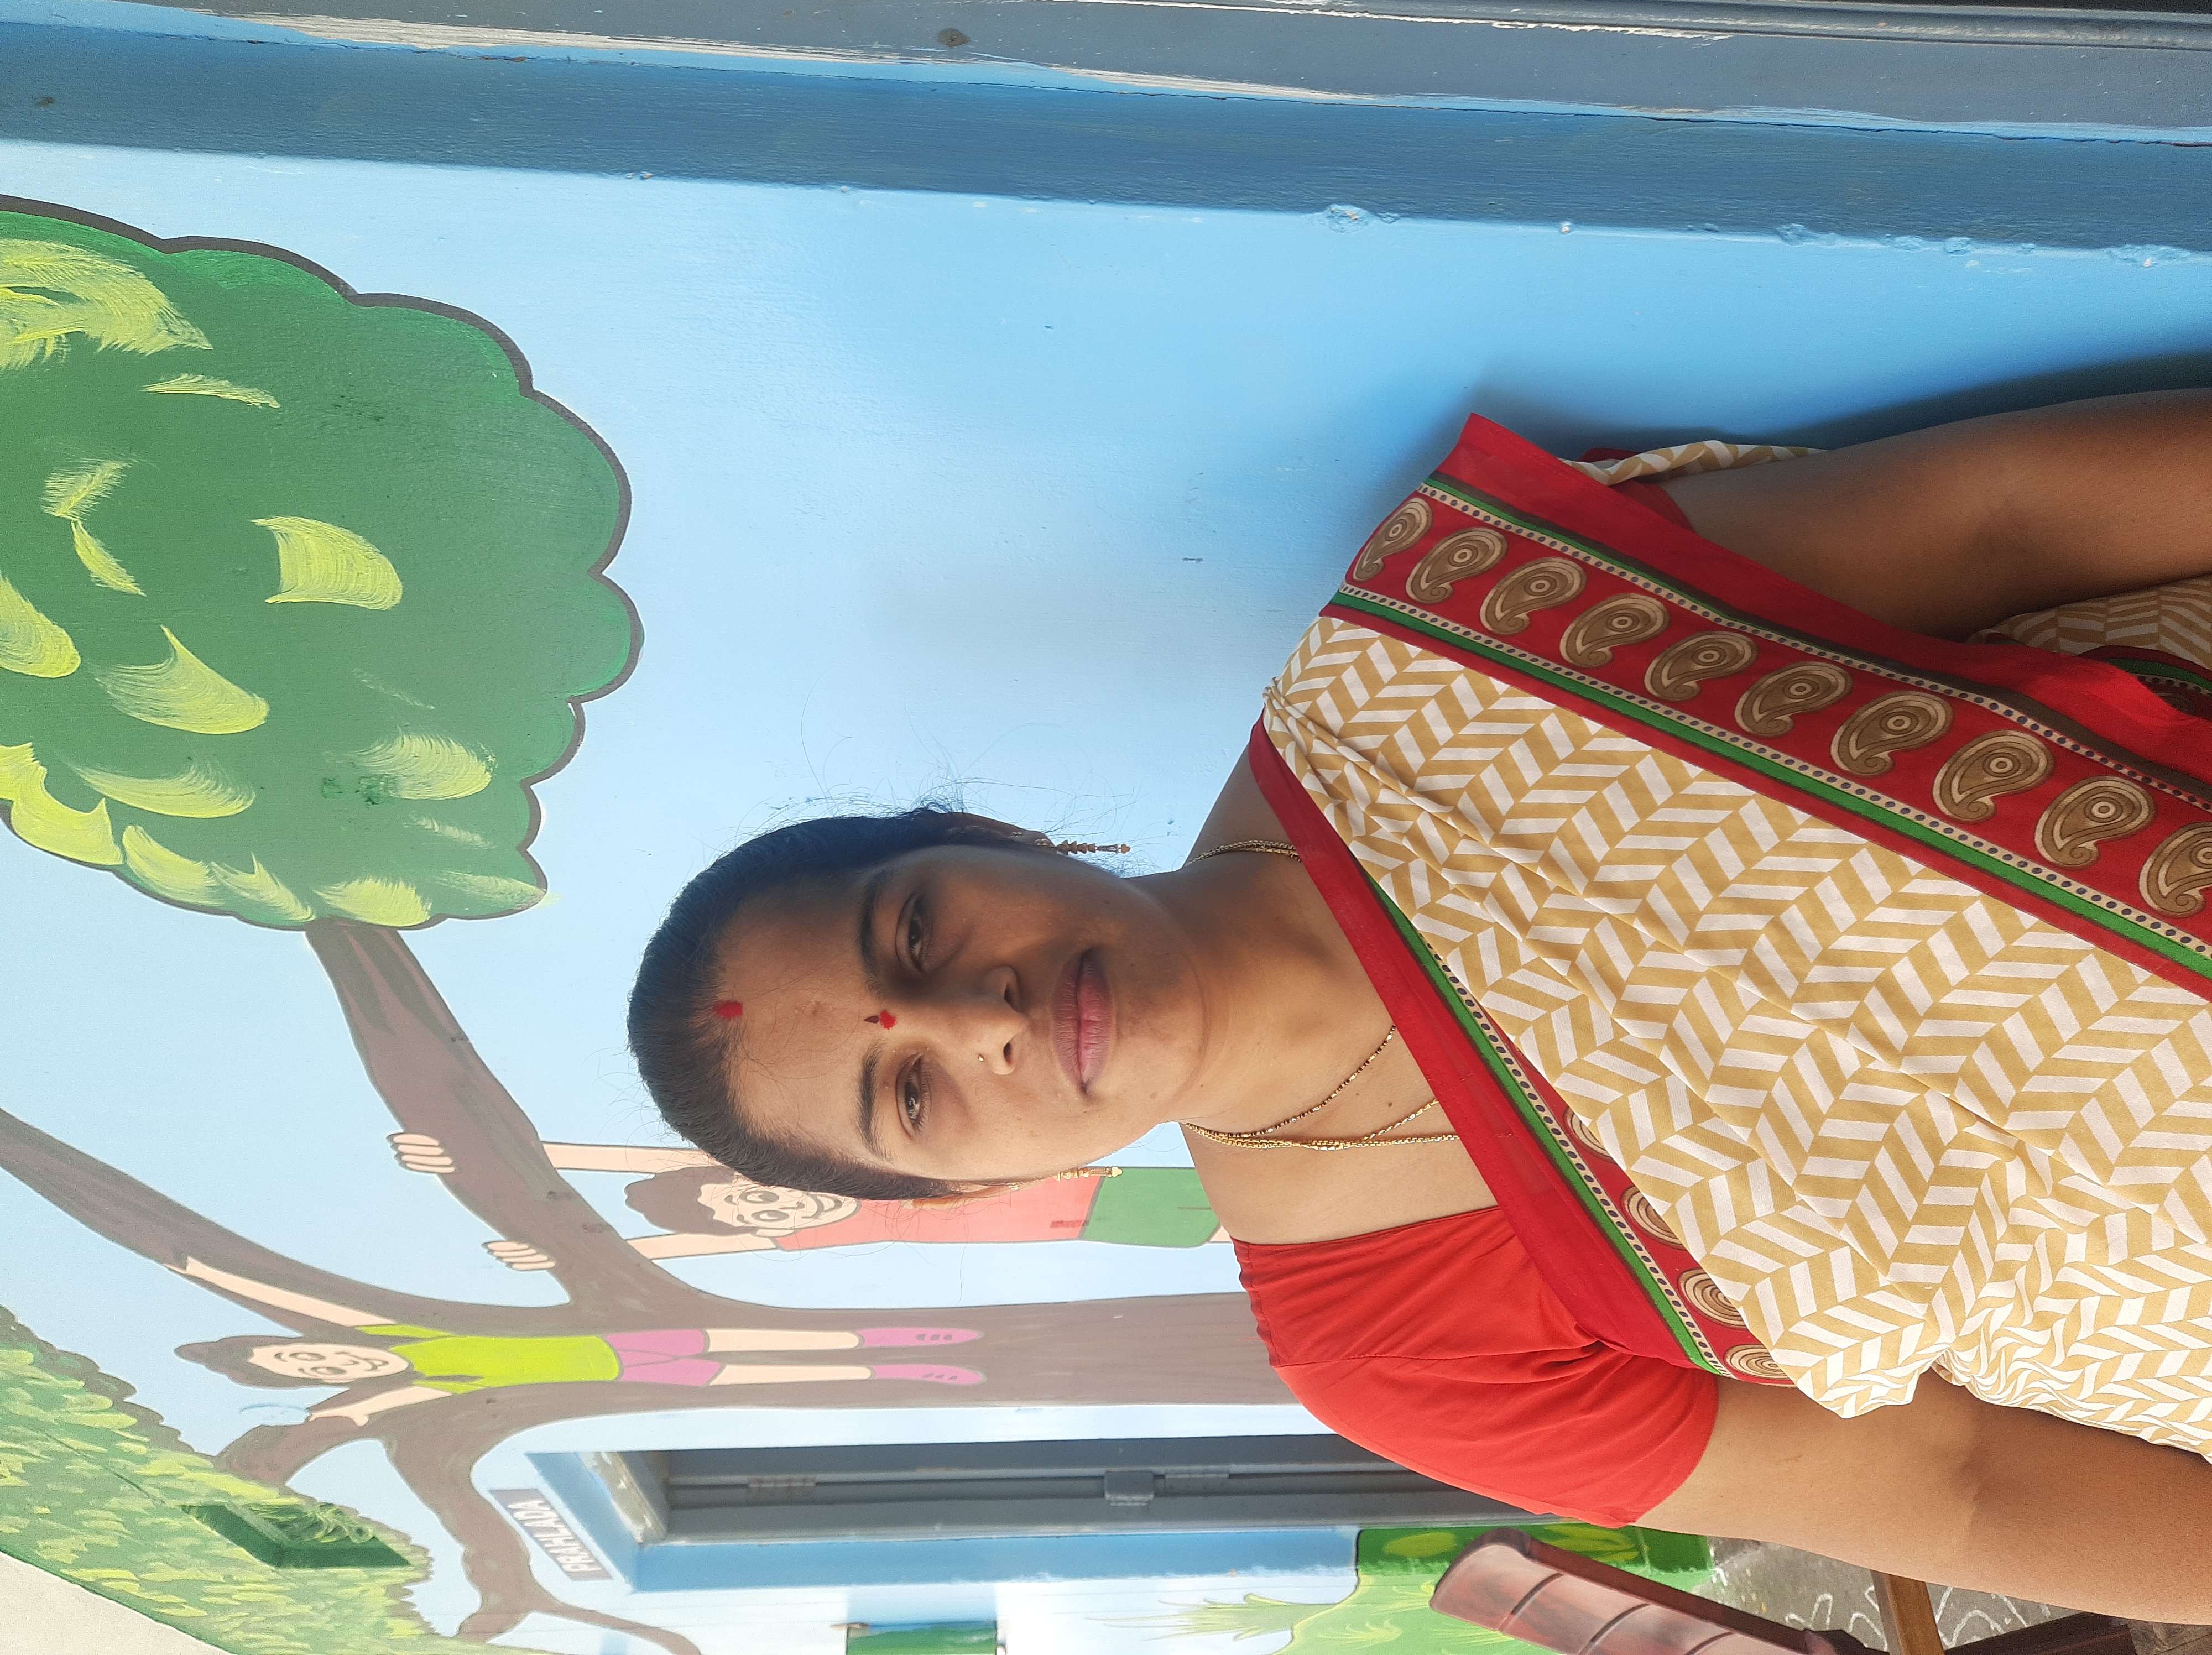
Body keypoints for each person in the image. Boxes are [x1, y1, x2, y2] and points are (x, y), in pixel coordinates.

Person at [627, 391, 2212, 1619]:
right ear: (982, 1188)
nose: (979, 1019)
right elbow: (1962, 1486)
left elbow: (2006, 523)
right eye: (911, 1098)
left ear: (991, 834)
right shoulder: (1390, 1347)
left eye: (913, 930)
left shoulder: (1456, 654)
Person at [168, 1255, 981, 1425]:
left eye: (297, 1349)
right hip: (633, 1375)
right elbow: (364, 1411)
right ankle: (914, 1371)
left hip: (635, 1336)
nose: (322, 1358)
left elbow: (296, 1299)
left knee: (803, 1342)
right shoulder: (412, 1382)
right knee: (783, 1375)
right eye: (306, 1369)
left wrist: (207, 1273)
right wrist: (333, 1414)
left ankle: (911, 1337)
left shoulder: (389, 1333)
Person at [390, 1134, 1225, 1263]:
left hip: (1097, 1183)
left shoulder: (822, 1166)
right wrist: (566, 1249)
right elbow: (673, 1247)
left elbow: (631, 1159)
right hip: (1088, 1225)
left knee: (1231, 1187)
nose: (774, 1212)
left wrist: (489, 1152)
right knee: (1229, 1230)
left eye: (754, 1198)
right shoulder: (813, 1238)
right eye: (753, 1222)